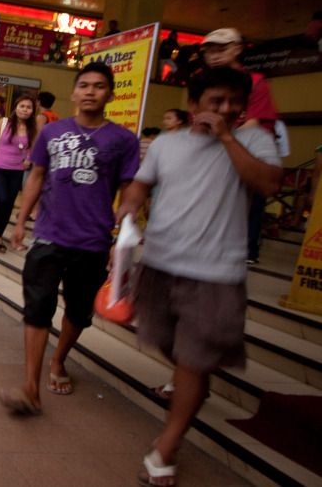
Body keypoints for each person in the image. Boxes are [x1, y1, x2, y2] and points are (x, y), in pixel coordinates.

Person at [116, 67, 281, 487]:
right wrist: (128, 210)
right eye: (215, 101)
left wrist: (227, 137)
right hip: (159, 263)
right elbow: (140, 185)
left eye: (233, 102)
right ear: (193, 106)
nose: (225, 109)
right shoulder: (167, 145)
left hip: (216, 274)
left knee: (192, 361)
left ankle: (164, 449)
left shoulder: (255, 139)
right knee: (164, 343)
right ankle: (194, 385)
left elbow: (267, 184)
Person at [0, 62, 140, 415]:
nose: (91, 91)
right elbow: (36, 176)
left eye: (99, 86)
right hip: (49, 235)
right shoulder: (51, 132)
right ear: (74, 92)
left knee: (78, 311)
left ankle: (59, 360)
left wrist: (124, 233)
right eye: (84, 85)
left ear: (109, 93)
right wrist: (20, 221)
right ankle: (31, 386)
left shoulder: (124, 140)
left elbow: (130, 189)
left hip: (93, 240)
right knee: (38, 306)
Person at [201, 27, 279, 266]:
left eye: (221, 49)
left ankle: (247, 249)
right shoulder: (202, 81)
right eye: (210, 51)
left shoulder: (255, 82)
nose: (214, 56)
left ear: (237, 49)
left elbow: (254, 122)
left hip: (245, 153)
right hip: (211, 150)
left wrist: (225, 140)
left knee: (248, 201)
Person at [0, 94, 37, 252]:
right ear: (16, 107)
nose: (25, 110)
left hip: (17, 170)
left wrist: (29, 159)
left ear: (32, 111)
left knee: (9, 203)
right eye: (22, 106)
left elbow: (33, 148)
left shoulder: (32, 128)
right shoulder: (4, 122)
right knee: (2, 198)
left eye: (28, 107)